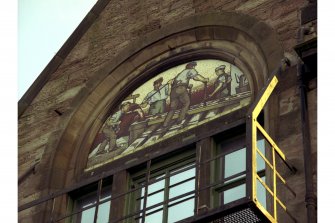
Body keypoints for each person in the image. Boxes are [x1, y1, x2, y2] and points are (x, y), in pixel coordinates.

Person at [162, 61, 209, 127]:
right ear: (192, 66)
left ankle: (165, 123)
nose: (194, 67)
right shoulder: (191, 70)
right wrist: (204, 79)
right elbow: (196, 77)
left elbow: (178, 83)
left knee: (172, 108)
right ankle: (180, 120)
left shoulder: (181, 73)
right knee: (186, 102)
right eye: (194, 66)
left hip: (173, 92)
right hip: (181, 89)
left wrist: (188, 86)